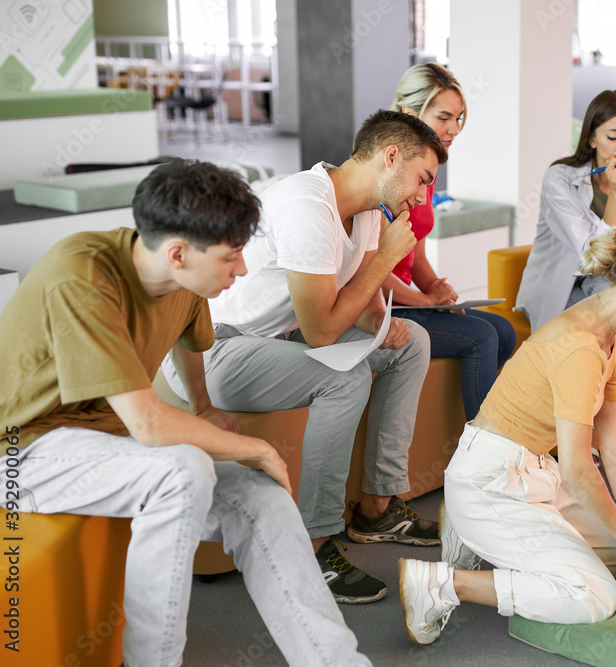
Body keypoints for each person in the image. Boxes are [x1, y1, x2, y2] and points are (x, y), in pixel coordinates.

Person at [0, 160, 370, 666]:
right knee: (182, 469)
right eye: (231, 257)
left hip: (109, 442)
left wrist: (203, 407)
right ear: (177, 253)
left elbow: (190, 341)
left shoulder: (185, 279)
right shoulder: (81, 275)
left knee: (263, 499)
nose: (242, 270)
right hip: (20, 453)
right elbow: (148, 423)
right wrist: (254, 448)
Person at [161, 110, 446, 604]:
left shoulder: (370, 213)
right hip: (217, 347)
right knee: (345, 378)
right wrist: (384, 260)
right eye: (423, 179)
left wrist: (385, 326)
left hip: (280, 339)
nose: (424, 196)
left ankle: (377, 508)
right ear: (391, 157)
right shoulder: (307, 206)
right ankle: (312, 545)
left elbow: (361, 303)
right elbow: (321, 331)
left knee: (412, 344)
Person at [399, 219, 616, 645]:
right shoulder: (580, 349)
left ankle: (465, 529)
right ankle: (442, 585)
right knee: (595, 594)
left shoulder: (613, 341)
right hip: (490, 482)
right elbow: (579, 470)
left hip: (530, 474)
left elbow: (613, 451)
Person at [515, 89, 616, 486]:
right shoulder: (560, 179)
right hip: (562, 290)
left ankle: (612, 438)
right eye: (614, 135)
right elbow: (594, 255)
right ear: (592, 137)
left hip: (609, 290)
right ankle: (600, 440)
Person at [385, 63, 516, 421]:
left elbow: (415, 256)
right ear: (409, 112)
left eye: (458, 119)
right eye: (444, 118)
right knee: (481, 337)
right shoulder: (389, 172)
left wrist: (438, 291)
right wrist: (426, 300)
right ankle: (486, 444)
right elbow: (370, 270)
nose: (454, 129)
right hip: (382, 306)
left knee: (504, 331)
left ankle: (463, 427)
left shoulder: (426, 169)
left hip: (409, 300)